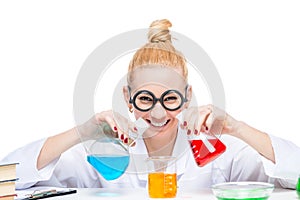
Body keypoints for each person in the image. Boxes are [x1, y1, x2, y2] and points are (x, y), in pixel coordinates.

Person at [2, 19, 300, 190]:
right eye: (145, 99)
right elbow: (6, 180)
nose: (158, 113)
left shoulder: (215, 151)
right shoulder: (107, 153)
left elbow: (296, 176)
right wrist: (82, 131)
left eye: (170, 99)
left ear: (187, 96)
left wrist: (238, 127)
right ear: (127, 100)